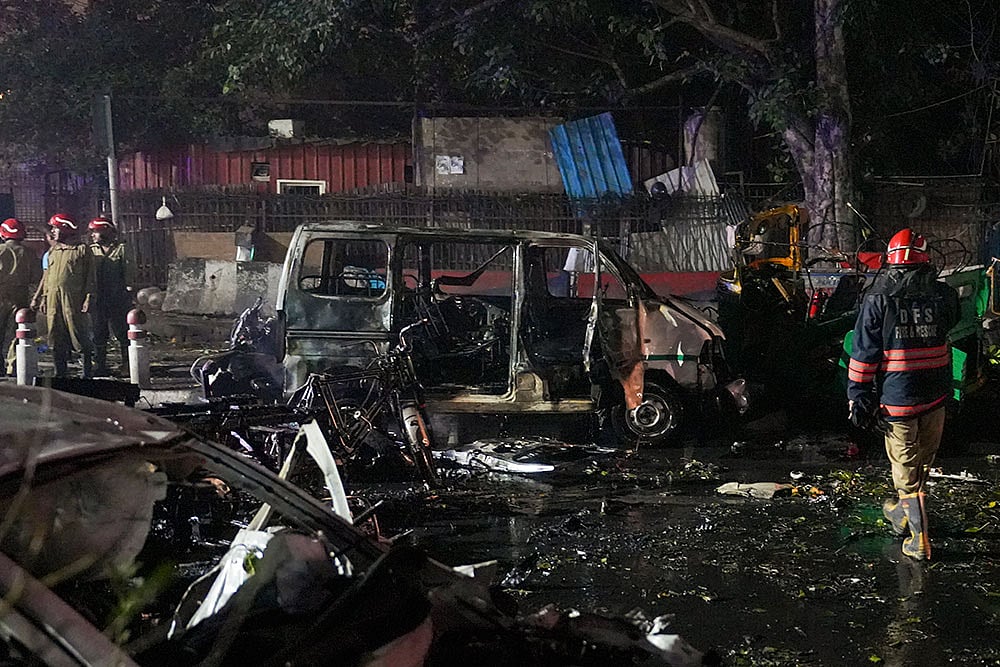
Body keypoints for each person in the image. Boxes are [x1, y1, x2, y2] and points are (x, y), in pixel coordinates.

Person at [847, 228, 960, 561]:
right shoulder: (944, 296)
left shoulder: (877, 298)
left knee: (906, 471)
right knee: (922, 462)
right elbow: (951, 325)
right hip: (936, 396)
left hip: (898, 402)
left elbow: (864, 353)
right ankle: (901, 513)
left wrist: (857, 395)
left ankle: (919, 541)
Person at [37, 213, 95, 378]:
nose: (53, 232)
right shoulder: (53, 251)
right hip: (54, 301)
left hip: (73, 300)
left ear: (65, 229)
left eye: (55, 228)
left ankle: (87, 373)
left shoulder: (81, 250)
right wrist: (44, 297)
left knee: (78, 334)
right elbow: (48, 277)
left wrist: (89, 297)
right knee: (55, 335)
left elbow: (90, 277)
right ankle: (60, 373)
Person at [87, 215, 131, 376]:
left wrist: (128, 291)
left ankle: (128, 364)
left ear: (106, 231)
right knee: (98, 333)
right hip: (98, 299)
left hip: (118, 298)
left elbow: (129, 272)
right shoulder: (91, 250)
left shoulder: (122, 249)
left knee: (122, 333)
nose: (93, 235)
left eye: (96, 232)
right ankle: (99, 365)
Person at [0, 218, 40, 376]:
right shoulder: (29, 253)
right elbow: (36, 277)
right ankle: (14, 366)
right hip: (20, 296)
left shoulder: (1, 250)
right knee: (17, 332)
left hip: (1, 294)